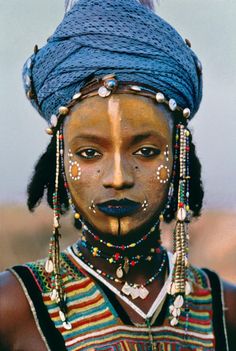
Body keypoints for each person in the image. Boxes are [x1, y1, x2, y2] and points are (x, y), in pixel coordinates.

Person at [0, 0, 235, 350]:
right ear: (60, 161)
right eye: (90, 153)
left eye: (147, 151)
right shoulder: (14, 307)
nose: (118, 177)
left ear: (179, 156)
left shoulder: (225, 311)